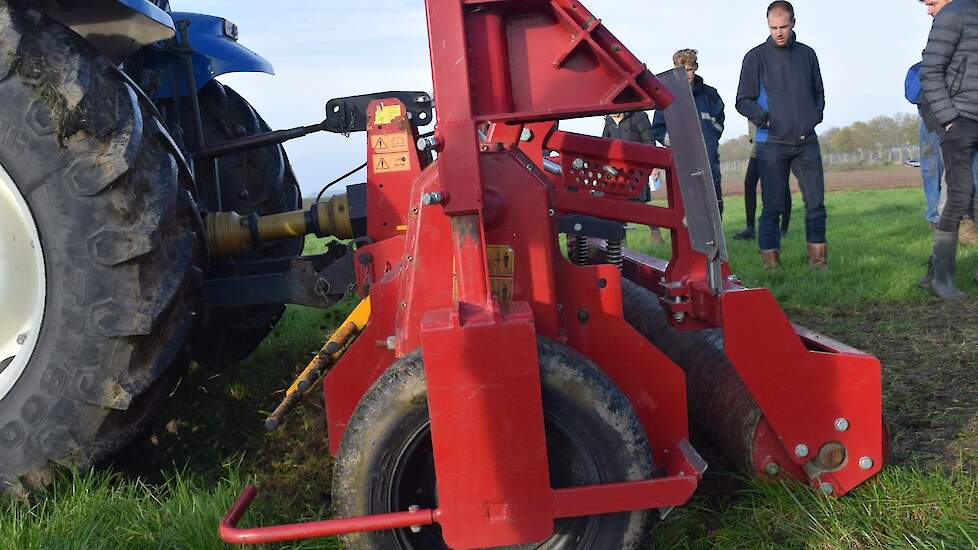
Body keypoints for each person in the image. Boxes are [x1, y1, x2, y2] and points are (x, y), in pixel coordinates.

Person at [736, 1, 827, 271]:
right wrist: (766, 119)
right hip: (771, 143)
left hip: (806, 141)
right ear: (768, 25)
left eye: (783, 26)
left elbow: (819, 93)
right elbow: (743, 100)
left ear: (793, 23)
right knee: (772, 207)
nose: (778, 32)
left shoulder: (808, 55)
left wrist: (814, 118)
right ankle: (772, 266)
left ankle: (819, 262)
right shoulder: (755, 57)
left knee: (816, 204)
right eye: (773, 27)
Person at [918, 0, 978, 298]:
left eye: (932, 2)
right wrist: (949, 119)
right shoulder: (951, 15)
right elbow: (930, 72)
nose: (929, 10)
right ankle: (942, 280)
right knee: (959, 195)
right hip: (960, 121)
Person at [652, 49, 726, 216]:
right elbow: (657, 129)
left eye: (689, 69)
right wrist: (675, 140)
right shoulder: (666, 97)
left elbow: (719, 122)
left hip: (709, 160)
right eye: (682, 70)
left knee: (714, 208)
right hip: (681, 162)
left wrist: (710, 139)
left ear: (696, 67)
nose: (687, 74)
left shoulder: (711, 95)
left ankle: (716, 242)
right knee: (686, 211)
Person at [603, 111, 664, 244]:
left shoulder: (639, 116)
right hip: (617, 172)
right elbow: (604, 143)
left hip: (637, 170)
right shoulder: (609, 120)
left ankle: (657, 239)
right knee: (618, 207)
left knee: (640, 205)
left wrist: (654, 166)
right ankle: (621, 244)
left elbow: (649, 142)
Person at [733, 121, 792, 240]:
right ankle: (750, 229)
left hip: (775, 141)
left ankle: (783, 229)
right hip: (758, 142)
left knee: (782, 184)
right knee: (749, 183)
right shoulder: (751, 102)